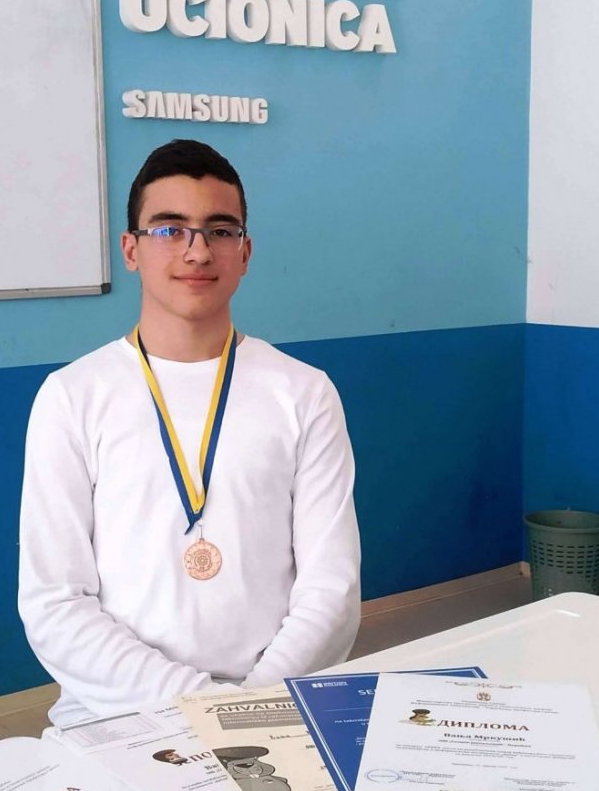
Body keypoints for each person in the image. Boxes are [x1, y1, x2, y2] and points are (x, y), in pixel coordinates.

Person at [18, 139, 361, 729]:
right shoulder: (71, 396)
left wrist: (252, 705)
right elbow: (55, 602)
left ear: (245, 251)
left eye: (220, 230)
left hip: (275, 703)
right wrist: (202, 707)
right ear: (131, 249)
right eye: (169, 229)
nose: (197, 251)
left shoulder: (305, 393)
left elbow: (331, 586)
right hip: (117, 714)